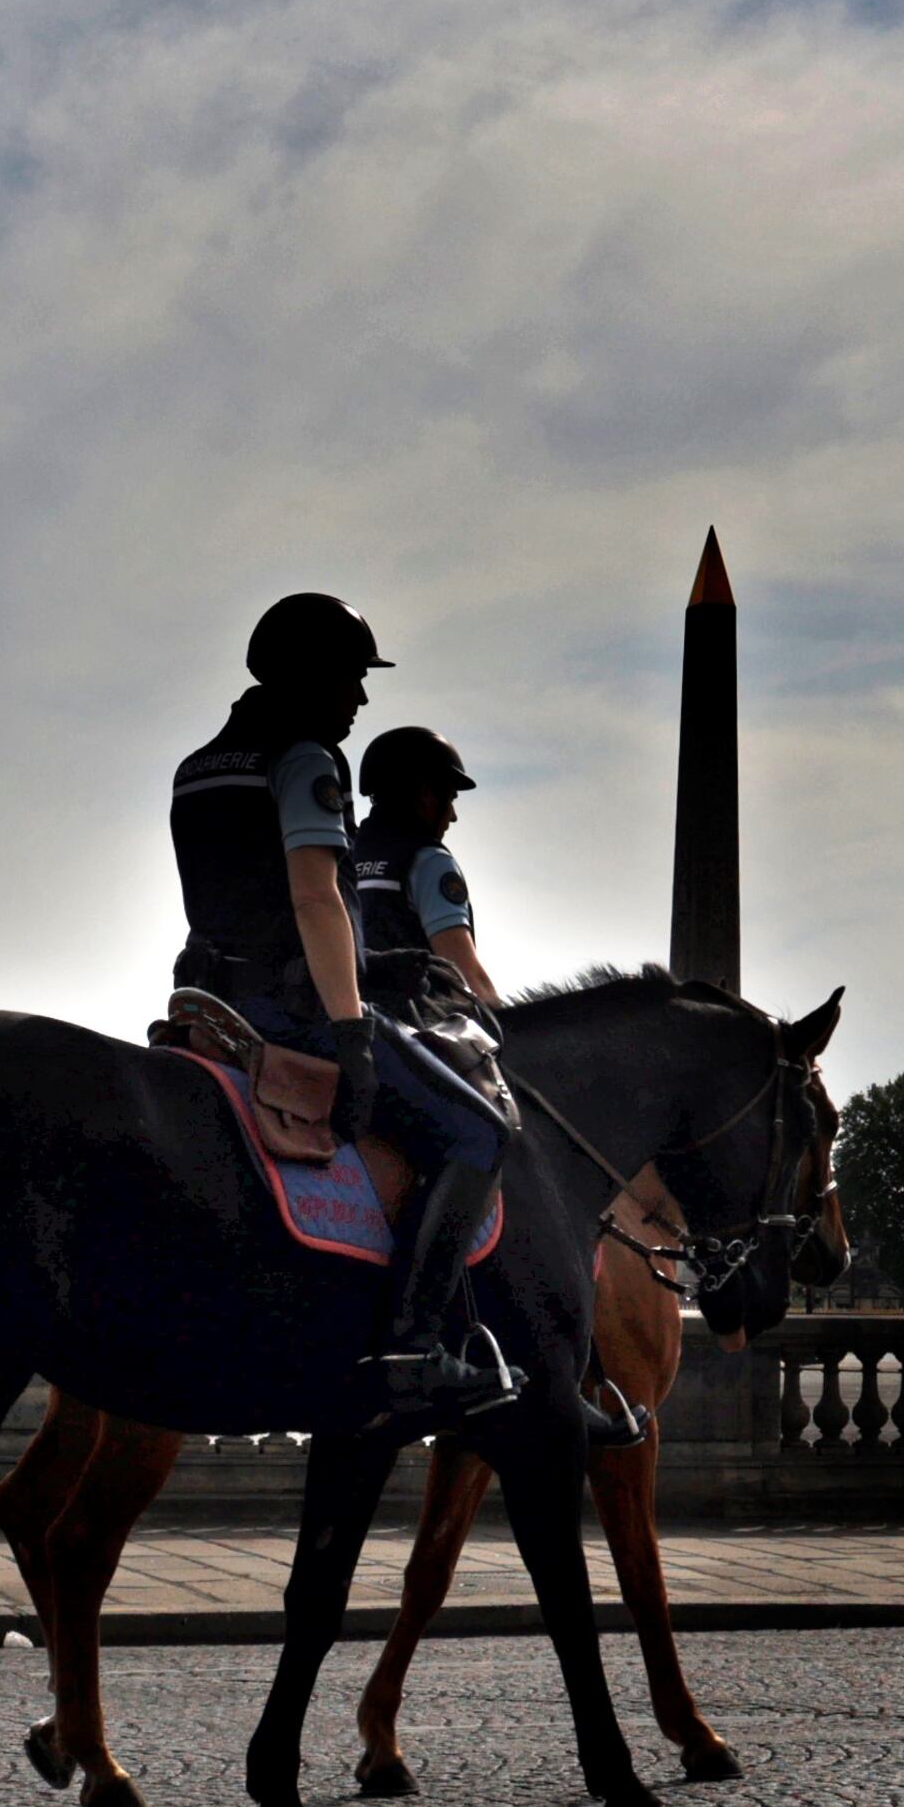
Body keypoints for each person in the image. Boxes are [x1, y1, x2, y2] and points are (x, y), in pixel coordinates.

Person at [170, 594, 519, 1425]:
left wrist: (377, 961)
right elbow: (312, 898)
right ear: (308, 676)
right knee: (478, 1132)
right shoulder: (303, 758)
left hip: (208, 1001)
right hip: (290, 1009)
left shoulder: (196, 766)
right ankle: (410, 1347)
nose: (361, 697)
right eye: (351, 676)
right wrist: (353, 1028)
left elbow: (240, 899)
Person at [350, 725, 498, 1013]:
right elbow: (464, 976)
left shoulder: (343, 856)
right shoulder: (429, 860)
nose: (453, 816)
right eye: (451, 799)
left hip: (351, 1020)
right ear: (427, 794)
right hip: (418, 1027)